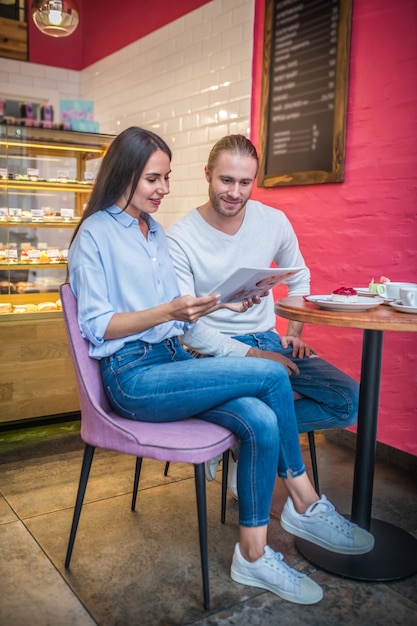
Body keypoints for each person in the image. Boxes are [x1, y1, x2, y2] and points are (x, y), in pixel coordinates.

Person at [67, 126, 373, 607]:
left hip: (170, 360)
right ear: (124, 173)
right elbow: (98, 325)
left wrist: (222, 305)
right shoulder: (96, 233)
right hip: (134, 378)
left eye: (166, 178)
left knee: (261, 417)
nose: (164, 189)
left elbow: (176, 306)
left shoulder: (152, 231)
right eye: (153, 179)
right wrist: (172, 313)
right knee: (270, 373)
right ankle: (305, 502)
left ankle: (251, 555)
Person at [167, 134, 360, 495]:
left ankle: (239, 438)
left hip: (270, 339)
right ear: (208, 174)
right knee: (264, 400)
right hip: (210, 352)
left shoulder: (273, 221)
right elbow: (187, 329)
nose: (235, 192)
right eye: (226, 180)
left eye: (245, 182)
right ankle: (257, 440)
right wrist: (257, 355)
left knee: (350, 401)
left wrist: (295, 333)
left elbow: (299, 275)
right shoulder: (179, 237)